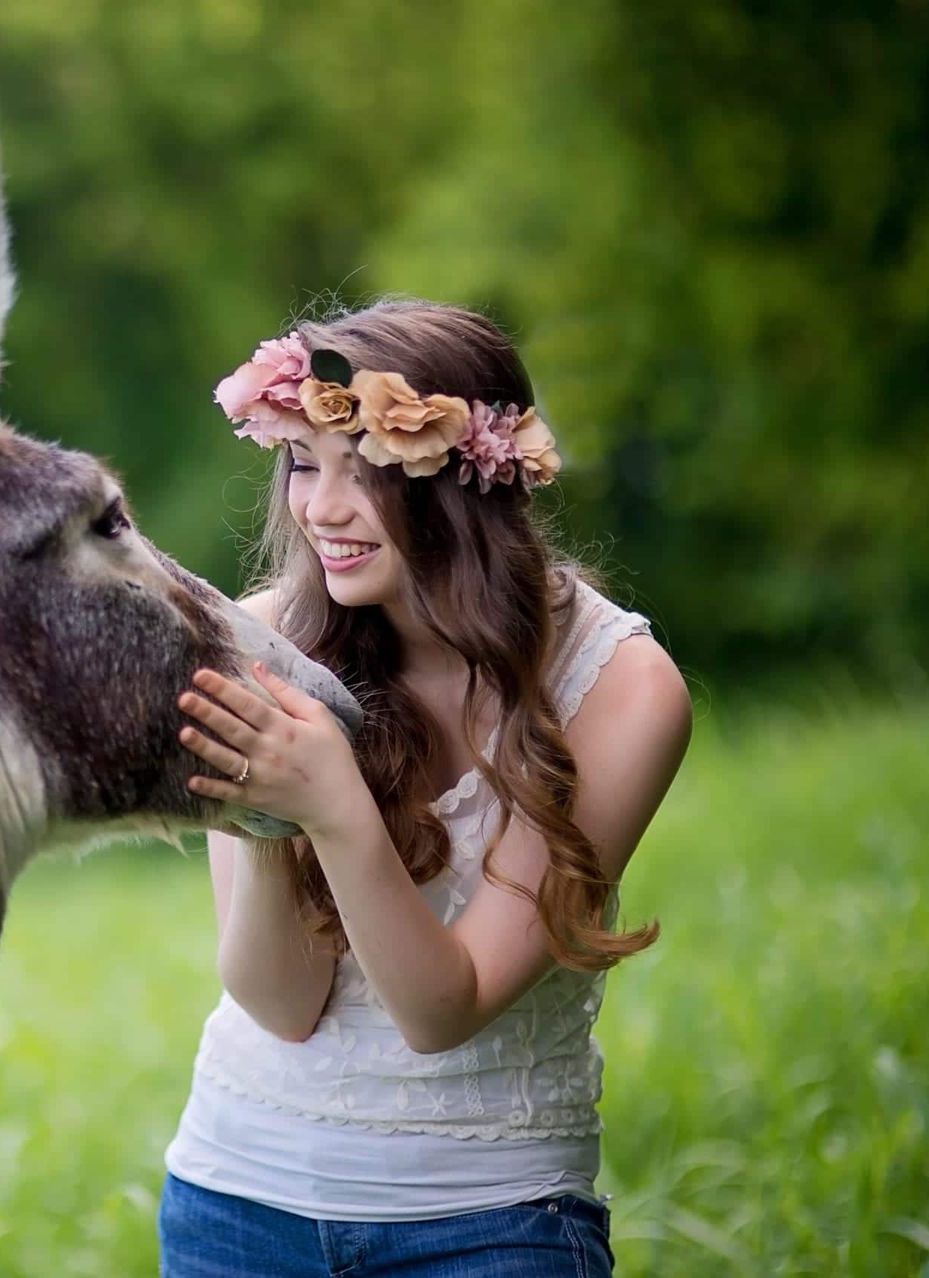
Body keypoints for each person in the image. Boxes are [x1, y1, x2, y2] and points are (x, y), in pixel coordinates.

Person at [159, 300, 693, 1277]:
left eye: (367, 472)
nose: (321, 508)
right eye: (305, 463)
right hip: (235, 1205)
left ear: (465, 482)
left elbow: (443, 1010)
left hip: (487, 1223)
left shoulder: (619, 689)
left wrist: (333, 806)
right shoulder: (263, 640)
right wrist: (277, 809)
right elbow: (280, 1001)